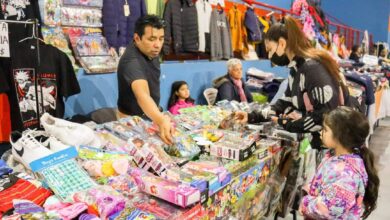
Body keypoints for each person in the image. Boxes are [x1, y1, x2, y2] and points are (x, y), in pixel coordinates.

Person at [235, 16, 348, 150]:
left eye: (270, 50)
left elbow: (325, 116)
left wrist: (288, 124)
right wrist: (252, 116)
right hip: (321, 142)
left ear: (282, 43)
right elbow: (284, 102)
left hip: (335, 145)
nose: (270, 56)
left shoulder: (311, 68)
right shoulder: (297, 69)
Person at [299, 107, 379, 219]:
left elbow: (327, 209)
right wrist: (310, 189)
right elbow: (323, 180)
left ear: (340, 136)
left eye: (325, 130)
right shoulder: (335, 156)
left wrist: (305, 203)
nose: (321, 132)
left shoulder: (346, 175)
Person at [117, 15, 173, 145]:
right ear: (137, 38)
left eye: (161, 39)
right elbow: (142, 95)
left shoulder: (150, 51)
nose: (157, 45)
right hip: (131, 120)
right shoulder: (131, 61)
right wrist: (160, 119)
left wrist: (158, 116)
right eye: (152, 39)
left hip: (149, 115)